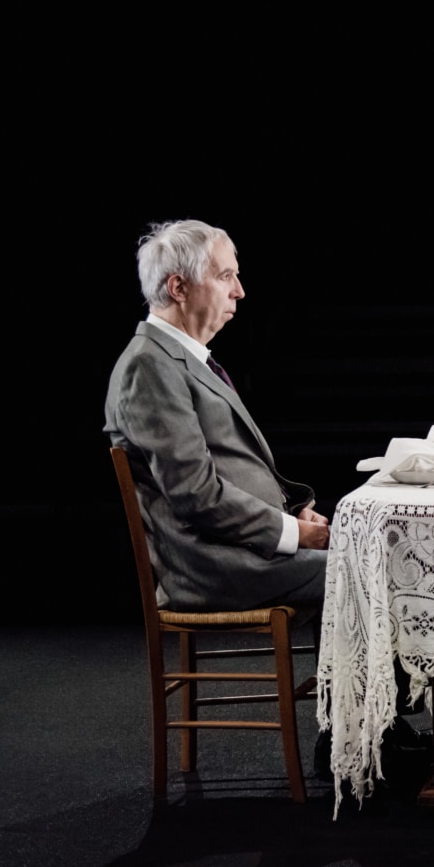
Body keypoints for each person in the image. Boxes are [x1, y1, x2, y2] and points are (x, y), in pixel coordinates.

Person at [104, 219, 329, 612]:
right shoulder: (148, 367)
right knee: (377, 569)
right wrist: (295, 533)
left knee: (381, 559)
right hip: (219, 566)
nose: (239, 291)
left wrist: (293, 516)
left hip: (248, 549)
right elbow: (196, 494)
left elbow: (229, 469)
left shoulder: (180, 360)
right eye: (225, 276)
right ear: (179, 288)